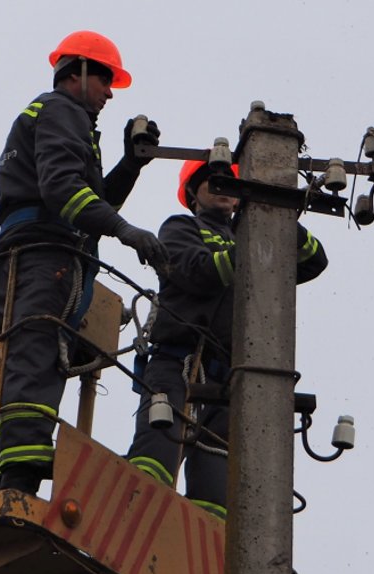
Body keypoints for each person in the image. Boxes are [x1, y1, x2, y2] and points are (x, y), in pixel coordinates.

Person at [0, 30, 165, 495]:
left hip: (30, 251)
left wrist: (130, 164)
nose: (109, 93)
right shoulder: (63, 110)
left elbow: (89, 200)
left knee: (29, 353)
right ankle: (21, 471)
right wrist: (125, 232)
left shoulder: (52, 116)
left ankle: (6, 466)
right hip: (46, 254)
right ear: (80, 73)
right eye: (106, 80)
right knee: (38, 350)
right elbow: (64, 191)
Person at [125, 159, 327, 519]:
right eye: (212, 183)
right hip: (178, 361)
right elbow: (196, 272)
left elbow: (314, 261)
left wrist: (280, 221)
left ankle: (205, 552)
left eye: (230, 185)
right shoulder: (181, 227)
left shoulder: (255, 237)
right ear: (192, 194)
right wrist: (257, 247)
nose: (222, 190)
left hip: (227, 381)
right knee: (155, 452)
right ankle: (133, 516)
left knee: (215, 485)